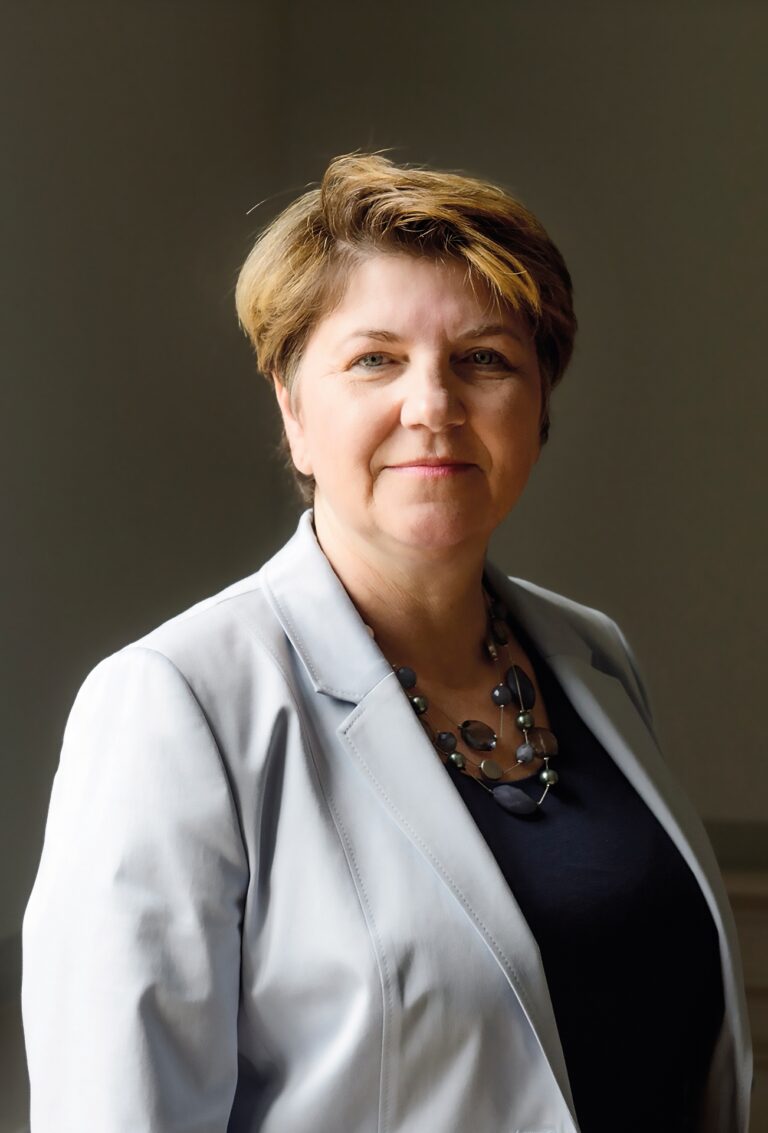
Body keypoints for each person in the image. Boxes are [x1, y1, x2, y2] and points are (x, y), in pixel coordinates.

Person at [22, 152, 752, 1133]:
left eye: (485, 359)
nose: (433, 406)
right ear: (294, 408)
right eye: (375, 359)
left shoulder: (593, 655)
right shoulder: (177, 701)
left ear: (540, 406)